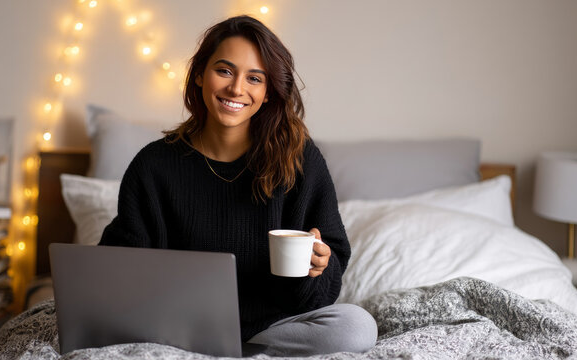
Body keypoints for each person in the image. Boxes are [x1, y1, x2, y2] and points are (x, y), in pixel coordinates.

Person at [100, 15, 377, 356]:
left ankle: (224, 352)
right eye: (225, 70)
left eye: (254, 78)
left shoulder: (299, 157)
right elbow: (122, 269)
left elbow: (327, 282)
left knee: (356, 327)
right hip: (178, 325)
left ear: (267, 93)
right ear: (200, 74)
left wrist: (317, 266)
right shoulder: (153, 165)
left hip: (271, 326)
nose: (236, 89)